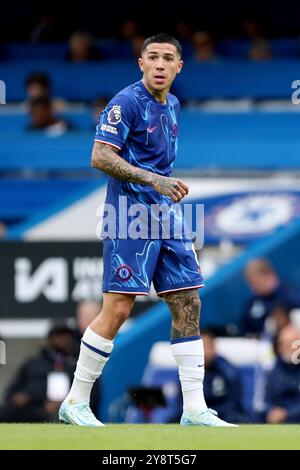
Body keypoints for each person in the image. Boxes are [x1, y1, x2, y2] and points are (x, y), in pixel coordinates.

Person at [59, 33, 236, 427]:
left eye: (167, 58)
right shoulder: (126, 102)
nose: (159, 64)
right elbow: (100, 155)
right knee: (118, 309)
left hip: (165, 215)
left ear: (179, 66)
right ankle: (74, 402)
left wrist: (160, 186)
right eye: (152, 57)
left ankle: (194, 409)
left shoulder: (172, 104)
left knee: (188, 301)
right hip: (128, 215)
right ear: (140, 63)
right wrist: (154, 180)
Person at [0, 324, 75, 423]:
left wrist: (63, 404)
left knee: (57, 416)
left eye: (65, 336)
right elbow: (11, 394)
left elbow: (91, 395)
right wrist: (20, 397)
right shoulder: (33, 364)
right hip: (34, 408)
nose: (62, 339)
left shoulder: (76, 365)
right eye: (58, 335)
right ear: (50, 338)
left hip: (66, 409)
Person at [241, 259, 300, 337]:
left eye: (255, 282)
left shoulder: (292, 297)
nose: (253, 288)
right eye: (250, 284)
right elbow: (243, 328)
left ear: (269, 275)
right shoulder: (253, 302)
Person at [262, 325, 300, 423]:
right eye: (284, 344)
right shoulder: (273, 369)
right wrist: (272, 412)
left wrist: (288, 413)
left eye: (293, 343)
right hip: (277, 424)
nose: (289, 348)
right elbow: (266, 400)